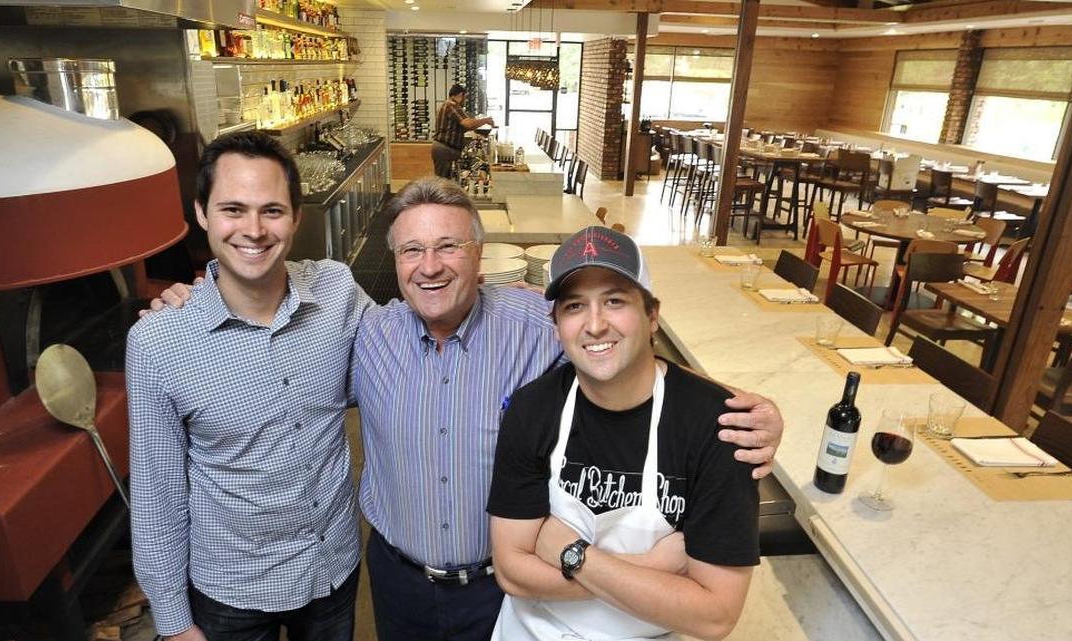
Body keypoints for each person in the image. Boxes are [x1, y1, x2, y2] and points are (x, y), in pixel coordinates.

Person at [148, 177, 784, 641]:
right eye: (410, 252)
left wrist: (732, 407)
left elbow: (618, 347)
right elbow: (273, 355)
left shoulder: (537, 323)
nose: (430, 268)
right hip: (396, 581)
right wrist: (201, 294)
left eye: (449, 247)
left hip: (504, 587)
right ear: (392, 262)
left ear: (481, 256)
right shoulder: (363, 333)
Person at [126, 131, 371, 641]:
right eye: (233, 209)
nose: (254, 230)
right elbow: (157, 493)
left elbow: (408, 346)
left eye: (272, 210)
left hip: (333, 569)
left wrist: (519, 308)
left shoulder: (336, 292)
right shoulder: (158, 341)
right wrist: (173, 623)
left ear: (297, 216)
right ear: (202, 213)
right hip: (232, 591)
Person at [487, 226, 760, 641]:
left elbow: (714, 614)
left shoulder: (717, 427)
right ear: (557, 324)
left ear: (652, 315)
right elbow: (513, 573)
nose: (595, 325)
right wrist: (654, 568)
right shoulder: (533, 409)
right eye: (575, 306)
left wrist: (572, 554)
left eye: (614, 301)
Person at [432, 84, 494, 179]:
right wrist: (485, 120)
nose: (466, 100)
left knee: (445, 180)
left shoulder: (447, 105)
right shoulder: (451, 106)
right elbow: (468, 124)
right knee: (443, 182)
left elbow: (460, 127)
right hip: (444, 150)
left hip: (443, 149)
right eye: (466, 97)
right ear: (461, 95)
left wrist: (478, 130)